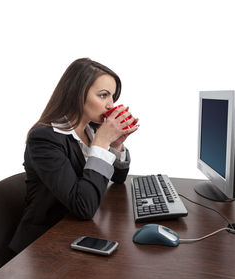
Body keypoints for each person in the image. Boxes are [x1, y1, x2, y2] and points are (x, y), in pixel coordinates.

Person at [9, 58, 139, 253]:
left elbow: (118, 178)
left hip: (78, 234)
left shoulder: (91, 130)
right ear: (77, 94)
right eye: (103, 95)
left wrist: (115, 145)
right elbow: (83, 206)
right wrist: (102, 144)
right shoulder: (45, 138)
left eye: (113, 97)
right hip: (43, 247)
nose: (110, 106)